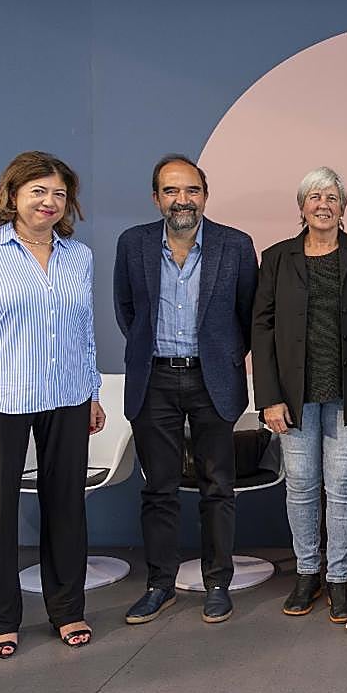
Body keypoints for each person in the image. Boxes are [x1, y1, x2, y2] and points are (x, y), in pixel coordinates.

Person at [0, 151, 105, 659]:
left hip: (67, 397)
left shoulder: (77, 257)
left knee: (66, 508)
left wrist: (92, 394)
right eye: (38, 191)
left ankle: (67, 609)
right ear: (13, 195)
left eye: (59, 194)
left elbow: (84, 332)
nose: (49, 202)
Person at [115, 153, 257, 626]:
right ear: (156, 197)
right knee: (159, 489)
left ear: (205, 196)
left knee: (218, 486)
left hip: (212, 379)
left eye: (192, 190)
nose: (183, 200)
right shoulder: (132, 244)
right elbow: (127, 310)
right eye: (172, 191)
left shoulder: (235, 245)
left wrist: (221, 357)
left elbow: (248, 315)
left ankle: (218, 583)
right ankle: (160, 585)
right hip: (153, 379)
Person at [252, 167, 347, 623]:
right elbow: (262, 328)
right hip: (293, 398)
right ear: (302, 207)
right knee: (301, 487)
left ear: (344, 207)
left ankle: (339, 578)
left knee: (345, 488)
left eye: (331, 196)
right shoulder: (276, 258)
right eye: (314, 196)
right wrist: (268, 397)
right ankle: (307, 573)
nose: (323, 204)